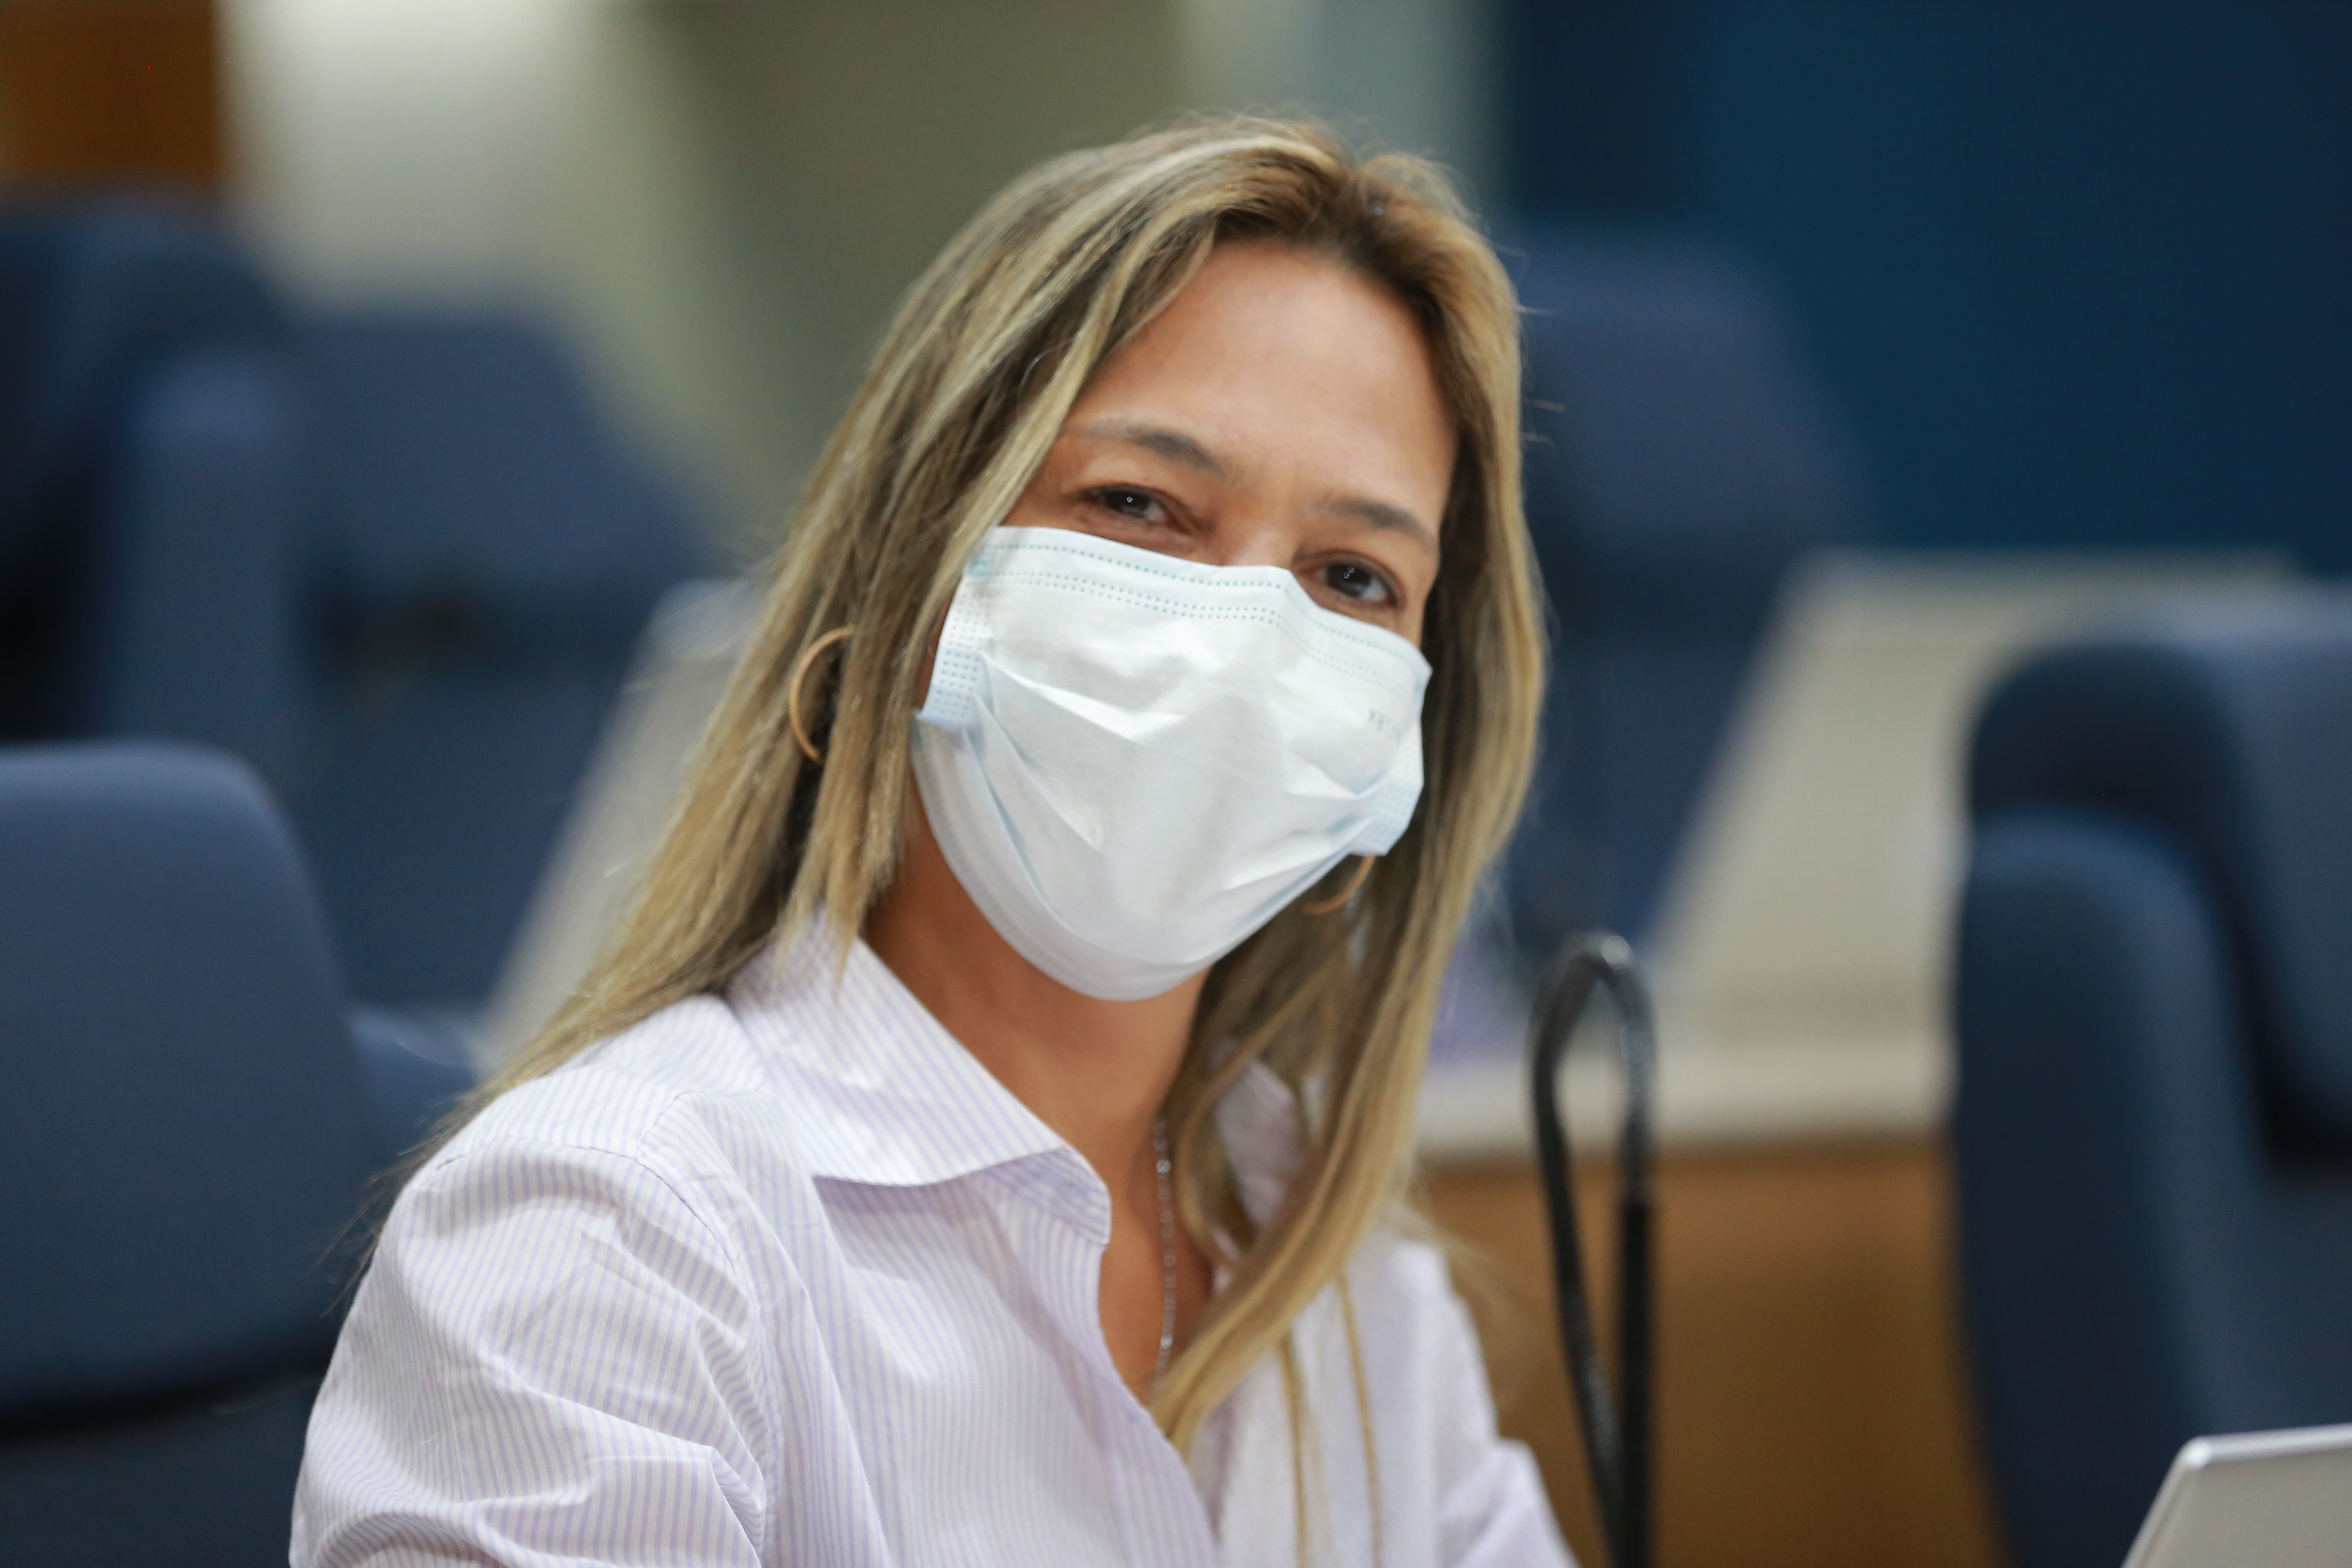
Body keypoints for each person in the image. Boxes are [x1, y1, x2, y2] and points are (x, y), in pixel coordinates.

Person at [293, 117, 1567, 1567]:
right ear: (917, 573)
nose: (1252, 644)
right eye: (1140, 505)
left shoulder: (1348, 1275)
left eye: (1354, 576)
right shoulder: (609, 1228)